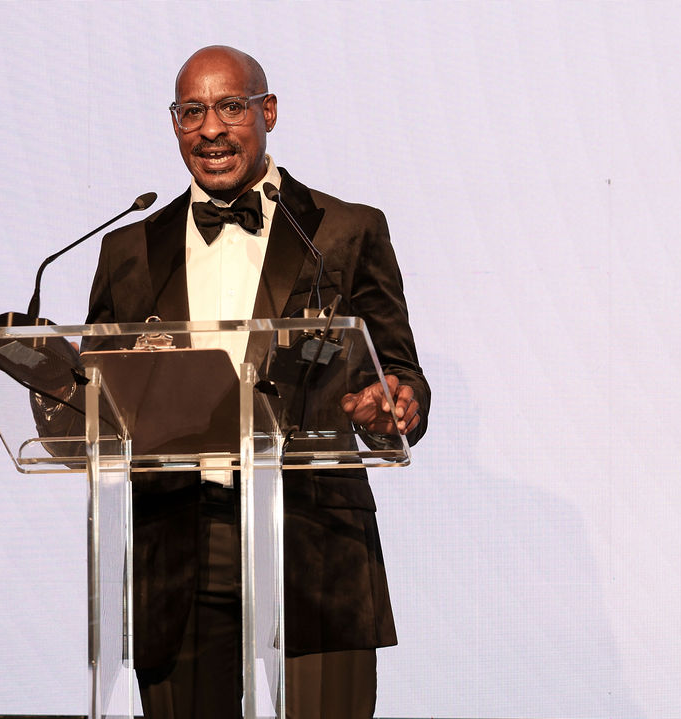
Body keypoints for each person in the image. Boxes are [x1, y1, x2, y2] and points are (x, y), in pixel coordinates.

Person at [83, 45, 429, 718]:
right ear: (175, 123)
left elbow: (401, 370)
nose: (210, 128)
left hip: (315, 536)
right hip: (177, 542)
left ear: (267, 112)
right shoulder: (128, 250)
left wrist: (395, 406)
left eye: (230, 107)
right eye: (192, 112)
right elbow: (98, 391)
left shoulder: (346, 231)